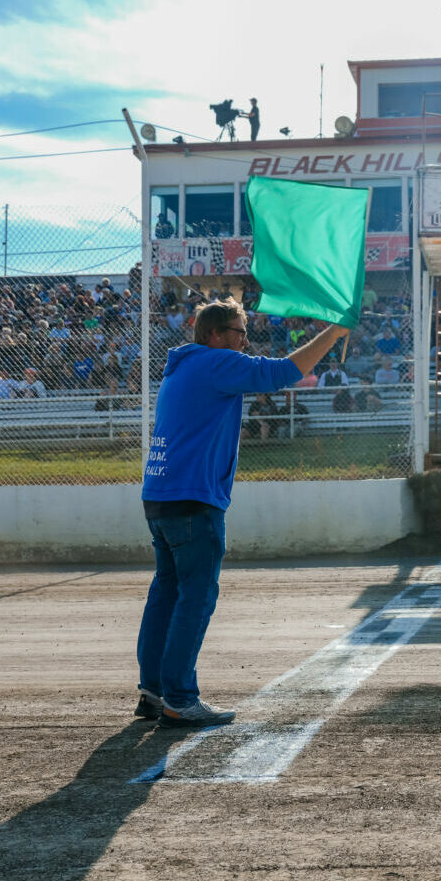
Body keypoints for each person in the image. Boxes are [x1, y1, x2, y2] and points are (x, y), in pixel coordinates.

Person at [136, 301, 348, 728]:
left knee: (166, 592)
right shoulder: (216, 362)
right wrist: (332, 333)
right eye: (238, 331)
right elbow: (283, 373)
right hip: (194, 499)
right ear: (214, 334)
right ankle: (179, 697)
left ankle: (154, 692)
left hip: (161, 494)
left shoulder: (184, 366)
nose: (244, 341)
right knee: (195, 598)